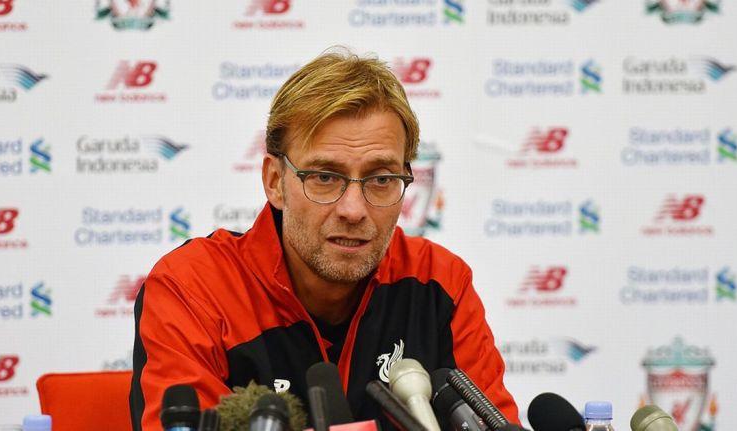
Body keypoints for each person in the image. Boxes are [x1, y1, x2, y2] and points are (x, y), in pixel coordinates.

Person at [129, 49, 519, 430]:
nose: (353, 209)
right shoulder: (194, 288)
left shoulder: (439, 282)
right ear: (275, 182)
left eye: (381, 179)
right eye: (325, 177)